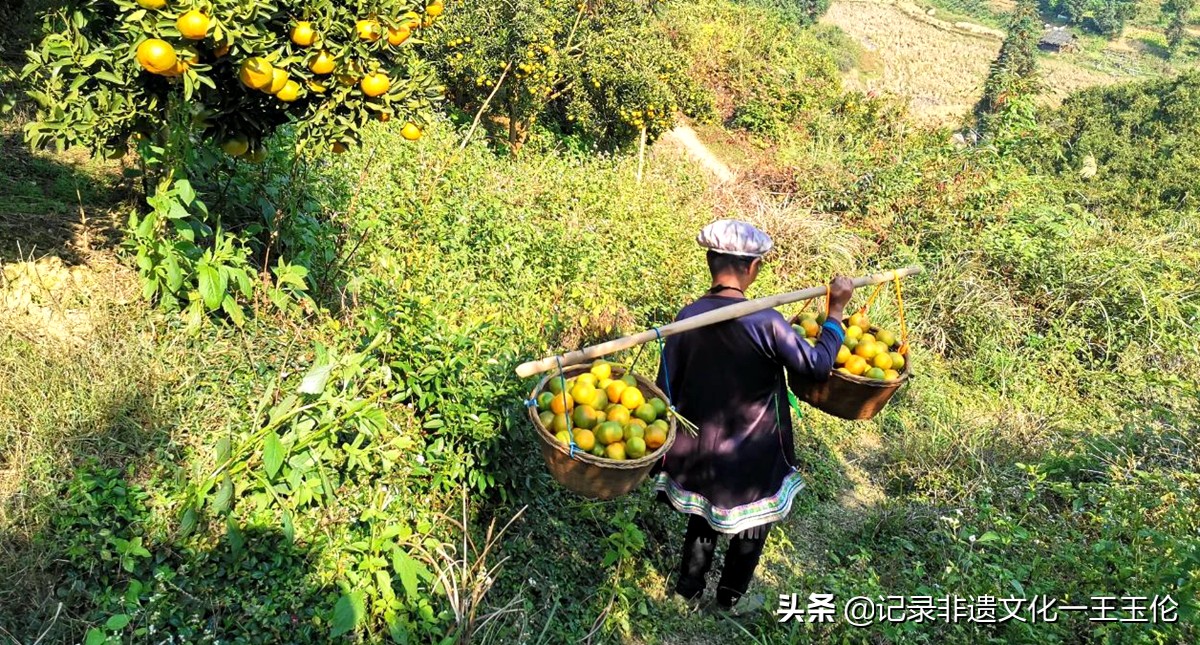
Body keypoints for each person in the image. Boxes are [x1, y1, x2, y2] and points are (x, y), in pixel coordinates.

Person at [651, 219, 855, 611]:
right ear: (752, 268)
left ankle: (687, 592)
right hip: (753, 450)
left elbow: (665, 388)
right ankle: (730, 598)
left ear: (711, 262)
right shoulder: (766, 321)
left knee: (704, 517)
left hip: (702, 450)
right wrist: (836, 314)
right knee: (752, 526)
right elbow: (815, 366)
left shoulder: (687, 316)